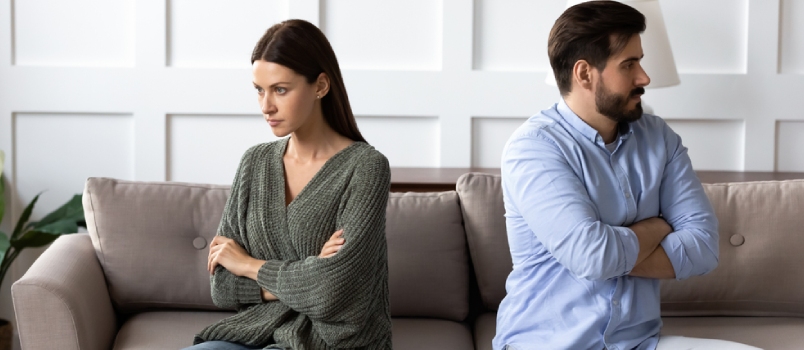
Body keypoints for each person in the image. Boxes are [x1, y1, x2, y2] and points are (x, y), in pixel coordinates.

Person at [494, 2, 760, 349]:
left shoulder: (658, 138)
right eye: (629, 65)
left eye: (640, 61)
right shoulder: (534, 149)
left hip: (638, 343)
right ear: (585, 74)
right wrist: (660, 225)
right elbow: (592, 257)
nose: (644, 77)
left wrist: (608, 251)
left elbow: (703, 248)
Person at [185, 19, 392, 350]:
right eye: (259, 90)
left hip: (330, 342)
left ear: (321, 86)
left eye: (280, 90)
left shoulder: (366, 167)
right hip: (253, 332)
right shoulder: (254, 163)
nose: (266, 106)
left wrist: (249, 265)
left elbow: (336, 293)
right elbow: (222, 286)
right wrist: (310, 274)